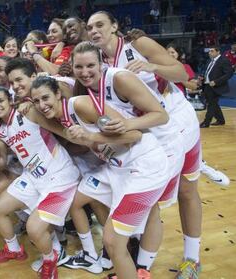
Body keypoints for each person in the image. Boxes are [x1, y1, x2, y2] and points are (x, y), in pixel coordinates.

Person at [86, 11, 202, 278]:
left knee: (185, 191)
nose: (94, 30)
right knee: (149, 202)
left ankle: (191, 260)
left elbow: (182, 74)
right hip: (147, 130)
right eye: (90, 27)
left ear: (115, 26)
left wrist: (154, 67)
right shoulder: (98, 62)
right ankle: (142, 267)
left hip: (176, 121)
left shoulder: (137, 45)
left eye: (100, 24)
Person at [0, 85, 80, 279]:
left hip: (59, 176)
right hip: (33, 177)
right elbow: (2, 163)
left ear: (10, 101)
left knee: (34, 228)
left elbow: (62, 130)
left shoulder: (28, 112)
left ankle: (50, 259)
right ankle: (14, 249)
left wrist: (88, 137)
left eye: (0, 100)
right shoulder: (1, 130)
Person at [167, 44, 230, 187]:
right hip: (161, 109)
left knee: (185, 141)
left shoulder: (184, 67)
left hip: (178, 110)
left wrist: (176, 78)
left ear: (178, 54)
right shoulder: (158, 67)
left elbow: (193, 86)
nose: (170, 55)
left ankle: (200, 165)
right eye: (167, 52)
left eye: (173, 52)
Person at [200, 46, 233, 128]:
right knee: (213, 103)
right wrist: (203, 78)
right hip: (207, 85)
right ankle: (221, 120)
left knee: (211, 104)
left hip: (217, 86)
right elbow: (208, 72)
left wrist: (216, 82)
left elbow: (229, 74)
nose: (209, 52)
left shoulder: (224, 60)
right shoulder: (209, 61)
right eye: (209, 51)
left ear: (218, 52)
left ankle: (206, 122)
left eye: (212, 51)